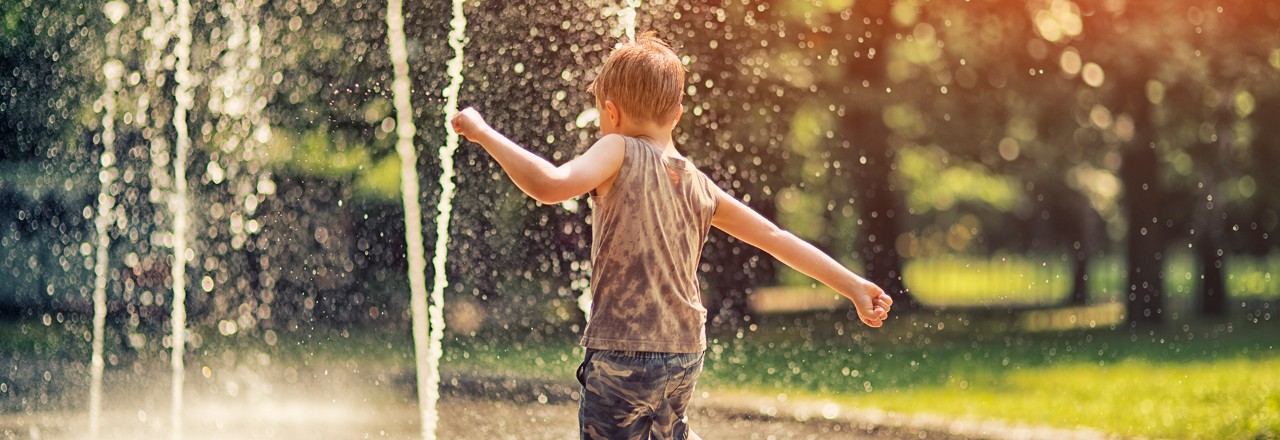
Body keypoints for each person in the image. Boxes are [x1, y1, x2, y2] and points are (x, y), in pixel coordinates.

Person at [450, 31, 892, 440]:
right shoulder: (698, 182)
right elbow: (775, 236)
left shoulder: (617, 149)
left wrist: (483, 132)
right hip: (684, 354)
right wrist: (852, 286)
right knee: (668, 429)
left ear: (610, 111)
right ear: (678, 114)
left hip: (624, 352)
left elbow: (550, 184)